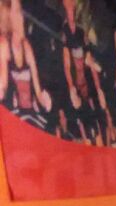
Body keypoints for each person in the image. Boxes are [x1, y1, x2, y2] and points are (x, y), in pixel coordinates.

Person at [60, 0, 109, 144]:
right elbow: (67, 66)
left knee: (95, 114)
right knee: (84, 116)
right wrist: (72, 88)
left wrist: (99, 89)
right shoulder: (67, 37)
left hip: (86, 84)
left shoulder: (81, 35)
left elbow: (91, 64)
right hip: (78, 87)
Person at [1, 0, 53, 130]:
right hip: (15, 119)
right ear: (9, 18)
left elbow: (38, 91)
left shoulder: (27, 47)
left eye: (21, 12)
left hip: (33, 117)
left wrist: (44, 100)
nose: (22, 17)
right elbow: (3, 87)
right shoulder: (4, 46)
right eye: (17, 12)